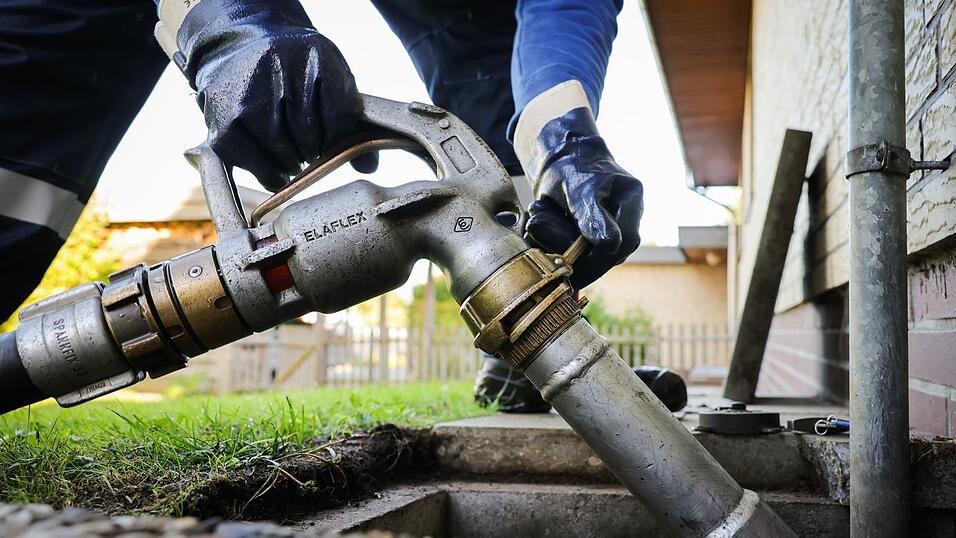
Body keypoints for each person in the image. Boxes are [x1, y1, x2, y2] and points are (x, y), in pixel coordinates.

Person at [0, 0, 684, 413]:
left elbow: (565, 12)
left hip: (458, 20)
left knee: (508, 161)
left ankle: (527, 363)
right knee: (48, 76)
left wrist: (560, 136)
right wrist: (235, 28)